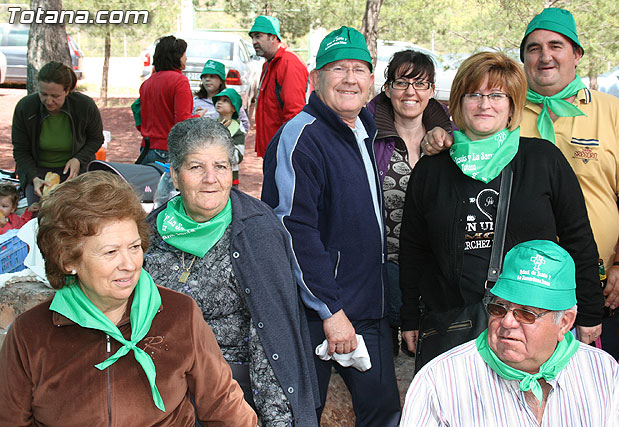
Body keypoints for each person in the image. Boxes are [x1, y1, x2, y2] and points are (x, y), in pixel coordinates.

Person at [424, 8, 619, 360]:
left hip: (592, 282)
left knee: (582, 391)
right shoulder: (504, 108)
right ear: (523, 57)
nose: (544, 56)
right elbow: (466, 155)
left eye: (555, 45)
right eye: (534, 47)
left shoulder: (611, 111)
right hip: (519, 291)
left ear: (577, 54)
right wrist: (438, 136)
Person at [0, 171, 256, 426]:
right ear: (68, 261)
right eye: (110, 252)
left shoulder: (179, 314)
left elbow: (224, 406)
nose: (129, 264)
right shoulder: (30, 334)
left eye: (134, 247)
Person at [400, 52, 602, 372]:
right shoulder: (433, 167)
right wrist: (409, 315)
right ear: (458, 103)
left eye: (497, 95)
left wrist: (591, 312)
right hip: (453, 326)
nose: (485, 104)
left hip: (528, 327)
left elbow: (578, 239)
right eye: (474, 94)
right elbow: (413, 248)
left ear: (512, 106)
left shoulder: (542, 160)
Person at [262, 26, 401, 426]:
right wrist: (329, 309)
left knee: (383, 412)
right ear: (315, 77)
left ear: (371, 81)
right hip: (318, 313)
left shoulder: (363, 128)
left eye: (359, 69)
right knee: (302, 415)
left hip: (367, 308)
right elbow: (292, 228)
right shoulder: (302, 136)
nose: (350, 78)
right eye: (338, 68)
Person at [144, 117, 318, 426]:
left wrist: (276, 420)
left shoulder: (256, 231)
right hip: (156, 382)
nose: (211, 179)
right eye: (196, 167)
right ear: (175, 174)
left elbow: (273, 338)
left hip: (229, 388)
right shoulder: (151, 231)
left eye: (221, 167)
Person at [400, 240, 619, 426]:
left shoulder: (603, 374)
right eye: (498, 308)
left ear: (565, 323)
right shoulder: (440, 381)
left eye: (526, 313)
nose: (507, 322)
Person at [366, 49, 452, 356]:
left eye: (420, 84)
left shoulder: (451, 144)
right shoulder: (368, 139)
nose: (410, 92)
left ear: (431, 91)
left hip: (435, 274)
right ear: (388, 89)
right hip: (382, 269)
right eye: (402, 83)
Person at [11, 61, 104, 204]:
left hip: (74, 170)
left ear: (67, 91)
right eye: (43, 94)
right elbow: (20, 150)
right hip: (37, 171)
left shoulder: (84, 106)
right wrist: (33, 178)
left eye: (55, 96)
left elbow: (96, 139)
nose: (49, 101)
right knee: (39, 214)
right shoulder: (26, 108)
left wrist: (78, 159)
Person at [249, 15, 308, 157]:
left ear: (273, 37)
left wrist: (286, 151)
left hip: (284, 150)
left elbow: (294, 113)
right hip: (272, 148)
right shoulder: (268, 64)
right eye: (252, 38)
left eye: (258, 36)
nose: (254, 42)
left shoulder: (288, 63)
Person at [138, 35, 198, 165]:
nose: (186, 58)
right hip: (167, 151)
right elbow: (182, 121)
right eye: (184, 54)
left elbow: (139, 117)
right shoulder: (179, 81)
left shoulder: (147, 83)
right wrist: (198, 117)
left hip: (146, 149)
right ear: (176, 57)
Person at [192, 59, 251, 132]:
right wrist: (194, 117)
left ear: (221, 80)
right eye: (204, 76)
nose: (207, 79)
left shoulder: (231, 99)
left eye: (212, 76)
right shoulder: (196, 101)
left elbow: (245, 124)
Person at [212, 88, 246, 186]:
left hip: (229, 177)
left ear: (234, 108)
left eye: (225, 100)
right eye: (218, 100)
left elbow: (238, 157)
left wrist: (220, 143)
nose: (219, 103)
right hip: (210, 174)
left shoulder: (237, 129)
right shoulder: (210, 125)